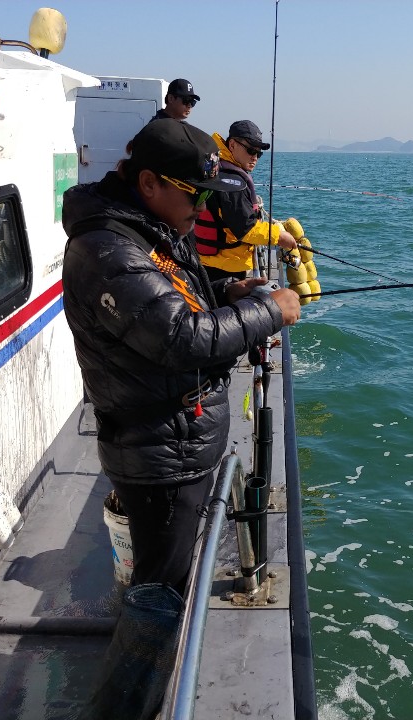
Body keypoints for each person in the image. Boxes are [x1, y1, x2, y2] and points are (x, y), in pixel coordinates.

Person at [61, 119, 301, 597]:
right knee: (161, 592)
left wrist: (226, 290)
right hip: (159, 453)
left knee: (170, 574)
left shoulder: (147, 227)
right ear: (149, 182)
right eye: (197, 194)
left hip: (174, 439)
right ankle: (146, 646)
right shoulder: (110, 250)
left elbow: (169, 299)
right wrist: (268, 311)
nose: (204, 207)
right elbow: (181, 337)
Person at [196, 119, 297, 281]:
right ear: (232, 145)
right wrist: (279, 236)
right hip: (225, 266)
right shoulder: (232, 184)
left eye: (258, 153)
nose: (255, 157)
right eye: (250, 150)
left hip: (210, 261)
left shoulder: (216, 167)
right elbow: (246, 229)